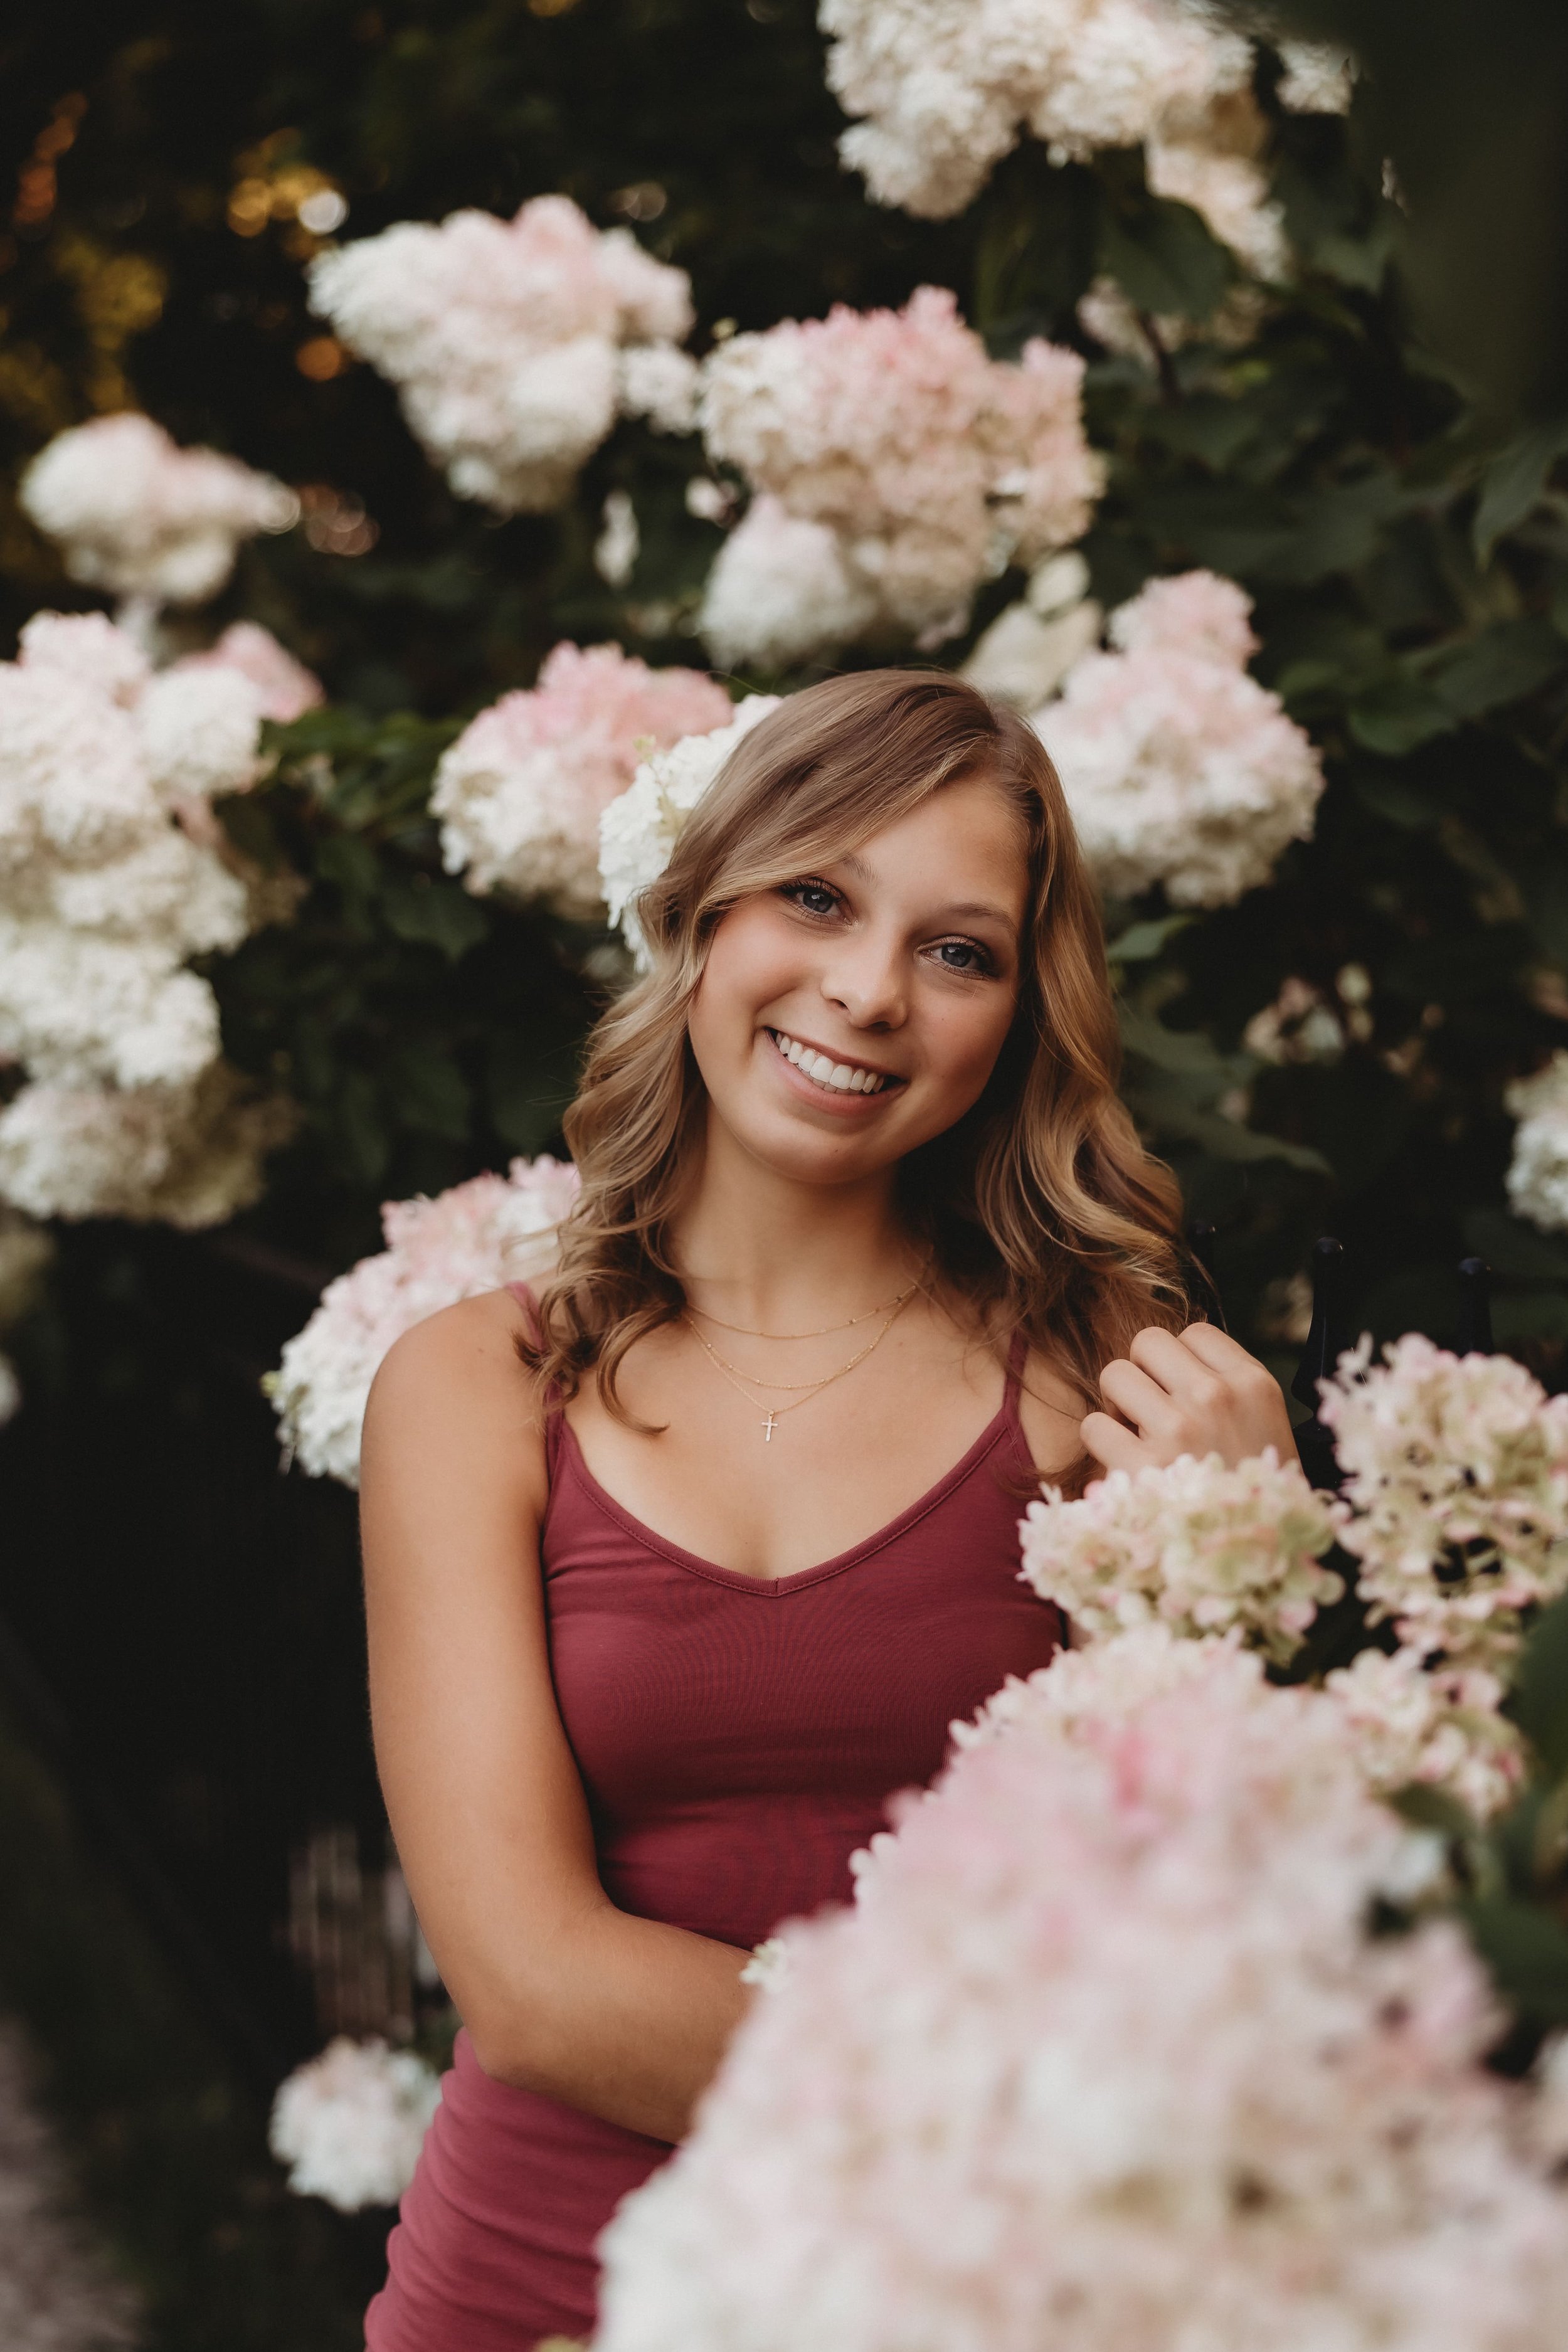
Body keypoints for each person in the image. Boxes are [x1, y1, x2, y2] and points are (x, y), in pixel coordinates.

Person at [359, 670, 1296, 2348]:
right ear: (701, 916)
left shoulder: (1123, 1392)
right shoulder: (481, 1385)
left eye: (956, 950)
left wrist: (1230, 1586)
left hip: (978, 2300)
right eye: (815, 896)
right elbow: (537, 1989)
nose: (867, 991)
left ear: (1013, 1015)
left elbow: (1204, 1937)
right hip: (543, 2281)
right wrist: (1010, 2101)